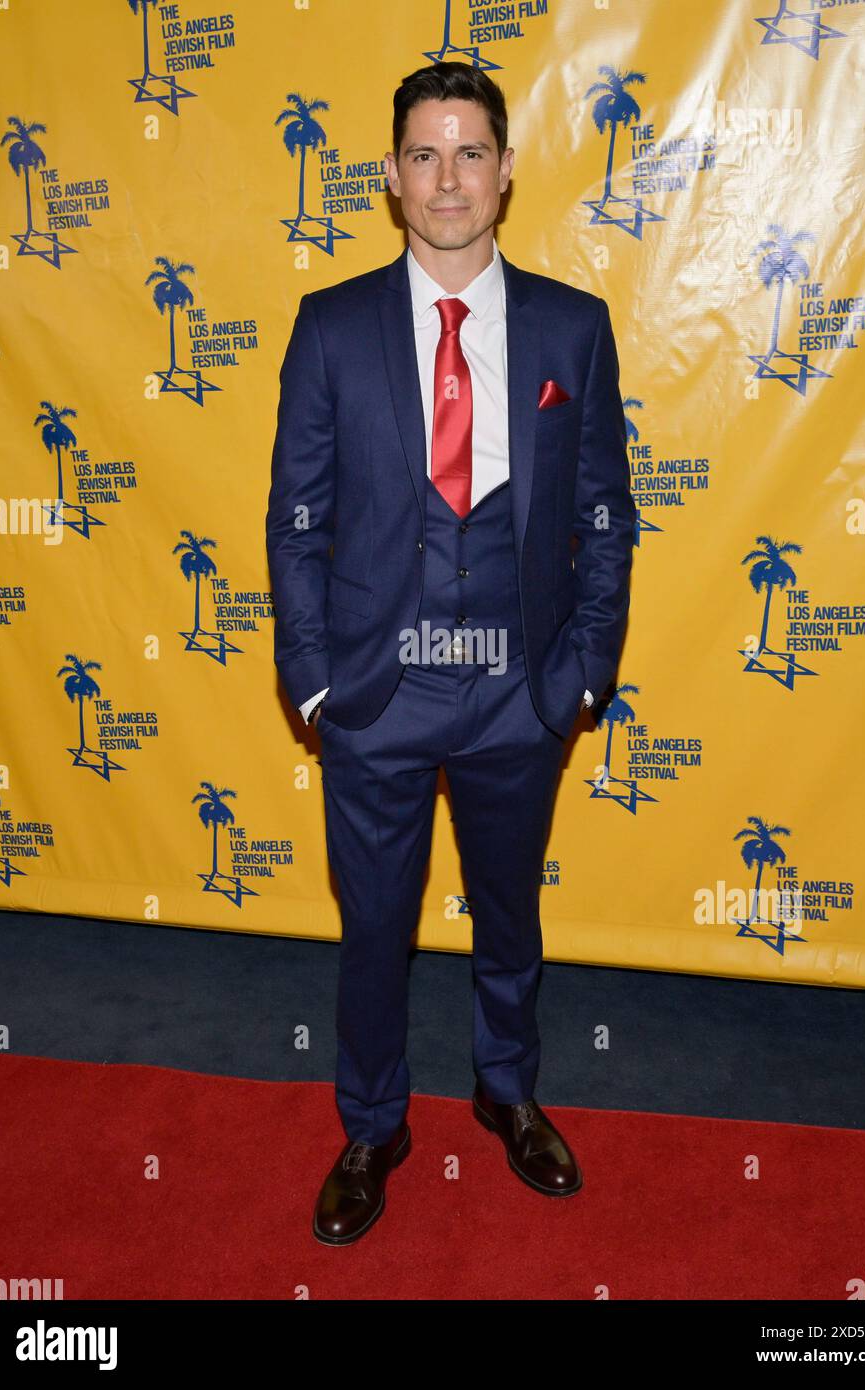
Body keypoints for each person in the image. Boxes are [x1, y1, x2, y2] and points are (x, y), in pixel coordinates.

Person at [266, 60, 636, 1246]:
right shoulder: (330, 327)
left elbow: (603, 515)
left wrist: (578, 675)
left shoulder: (574, 329)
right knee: (375, 921)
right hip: (378, 688)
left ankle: (508, 1088)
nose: (447, 179)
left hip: (515, 690)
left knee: (510, 912)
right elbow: (298, 515)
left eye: (470, 152)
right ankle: (374, 1122)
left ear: (508, 170)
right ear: (389, 177)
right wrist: (318, 679)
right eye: (423, 155)